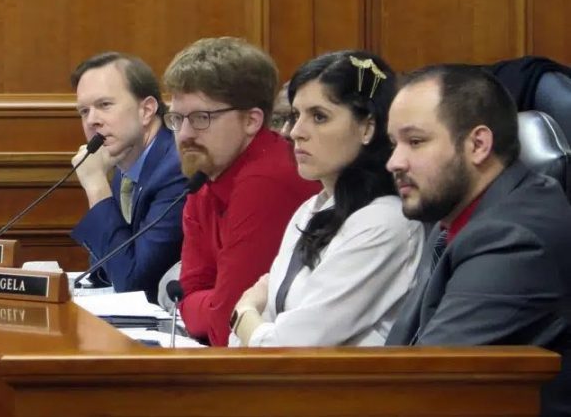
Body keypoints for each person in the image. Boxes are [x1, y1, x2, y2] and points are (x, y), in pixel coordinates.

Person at [385, 64, 571, 415]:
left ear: (478, 144)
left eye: (415, 141)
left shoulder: (514, 239)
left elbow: (421, 384)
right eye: (393, 144)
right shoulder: (461, 216)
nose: (394, 162)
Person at [228, 51, 423, 347]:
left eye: (319, 117)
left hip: (344, 391)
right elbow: (257, 339)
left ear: (367, 127)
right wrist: (254, 325)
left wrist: (243, 314)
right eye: (295, 116)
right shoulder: (311, 209)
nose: (295, 132)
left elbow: (285, 348)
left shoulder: (384, 222)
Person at [163, 37, 320, 346]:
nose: (184, 135)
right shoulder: (205, 175)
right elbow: (187, 295)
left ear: (251, 120)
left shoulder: (266, 180)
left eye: (200, 118)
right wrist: (214, 303)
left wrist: (213, 306)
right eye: (177, 118)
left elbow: (228, 329)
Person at [69, 52, 188, 302]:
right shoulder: (125, 167)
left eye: (104, 105)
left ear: (146, 110)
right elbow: (107, 268)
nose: (92, 121)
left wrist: (96, 187)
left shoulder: (176, 170)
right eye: (83, 111)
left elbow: (134, 282)